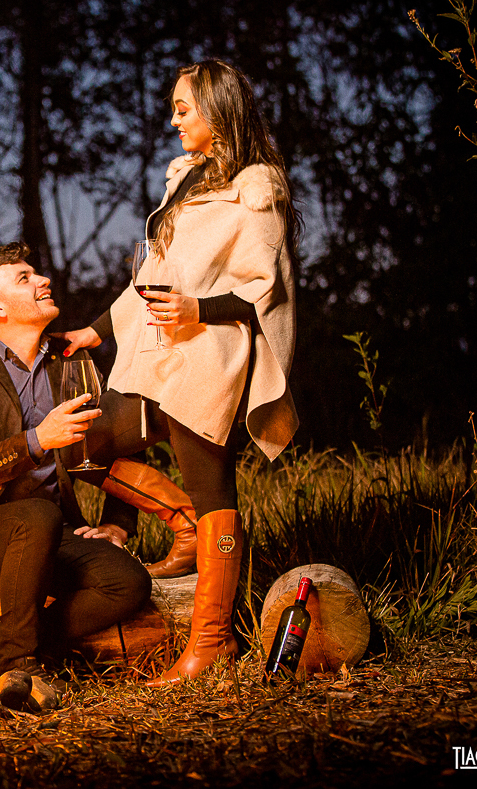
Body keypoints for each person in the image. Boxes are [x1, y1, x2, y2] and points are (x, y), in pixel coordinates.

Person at [62, 58, 301, 686]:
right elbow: (149, 276)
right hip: (152, 353)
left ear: (219, 112)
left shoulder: (257, 190)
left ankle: (211, 643)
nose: (173, 120)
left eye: (184, 108)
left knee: (212, 486)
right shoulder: (185, 181)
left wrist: (199, 307)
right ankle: (182, 526)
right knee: (85, 436)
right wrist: (95, 329)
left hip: (208, 355)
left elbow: (264, 289)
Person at [0, 242, 194, 690]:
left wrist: (119, 523)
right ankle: (21, 666)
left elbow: (115, 440)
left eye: (37, 273)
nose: (42, 280)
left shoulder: (67, 361)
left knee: (127, 582)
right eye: (24, 278)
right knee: (36, 514)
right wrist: (35, 441)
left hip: (56, 533)